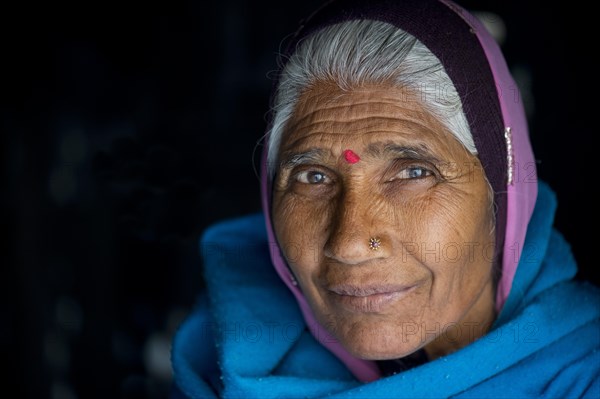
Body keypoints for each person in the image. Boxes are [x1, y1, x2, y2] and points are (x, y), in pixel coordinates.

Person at [171, 0, 600, 397]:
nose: (351, 243)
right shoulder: (221, 357)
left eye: (414, 172)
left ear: (504, 197)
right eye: (313, 176)